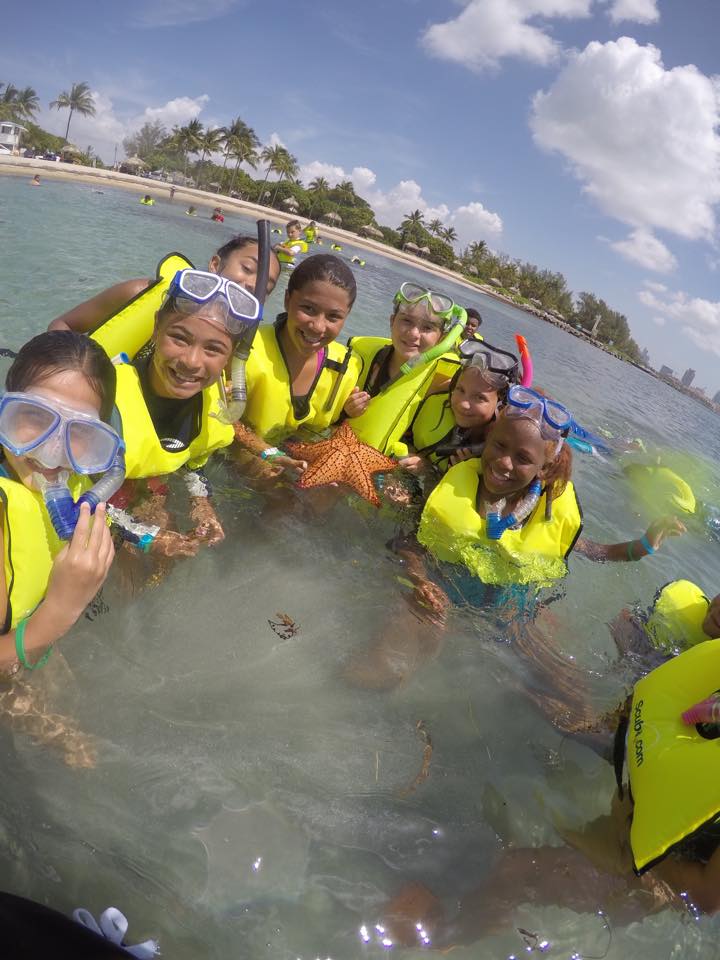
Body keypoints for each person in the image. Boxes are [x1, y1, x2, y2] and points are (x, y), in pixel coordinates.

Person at [381, 641, 720, 948]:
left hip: (653, 876)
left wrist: (637, 855)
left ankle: (445, 939)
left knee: (515, 870)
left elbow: (705, 895)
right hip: (636, 813)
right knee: (558, 705)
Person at [347, 391, 684, 690]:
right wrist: (420, 580)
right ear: (488, 439)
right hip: (441, 589)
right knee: (389, 659)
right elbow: (407, 545)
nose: (504, 463)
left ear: (544, 468)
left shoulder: (545, 514)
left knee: (567, 689)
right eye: (499, 446)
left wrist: (645, 545)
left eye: (523, 459)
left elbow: (595, 551)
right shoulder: (453, 486)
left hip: (508, 613)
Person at [0, 331, 117, 675]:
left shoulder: (80, 483)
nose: (51, 454)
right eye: (35, 417)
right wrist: (62, 609)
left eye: (79, 432)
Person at [232, 254, 361, 475]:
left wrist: (346, 415)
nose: (318, 326)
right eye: (309, 308)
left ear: (346, 316)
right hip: (239, 458)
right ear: (287, 300)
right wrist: (267, 453)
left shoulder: (345, 367)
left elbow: (325, 433)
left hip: (296, 457)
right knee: (275, 488)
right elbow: (224, 420)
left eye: (333, 317)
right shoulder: (245, 352)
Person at [48, 234, 280, 336]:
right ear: (215, 263)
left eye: (264, 288)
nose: (251, 285)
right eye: (248, 269)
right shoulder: (139, 293)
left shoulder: (240, 337)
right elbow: (63, 324)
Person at [342, 282, 464, 459]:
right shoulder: (364, 359)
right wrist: (345, 411)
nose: (414, 333)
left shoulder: (446, 382)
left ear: (441, 338)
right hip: (344, 452)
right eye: (407, 320)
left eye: (428, 327)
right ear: (392, 321)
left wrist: (421, 461)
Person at [407, 340, 519, 475]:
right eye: (460, 390)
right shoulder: (435, 397)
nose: (463, 404)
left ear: (500, 403)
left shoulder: (500, 450)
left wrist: (464, 473)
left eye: (480, 398)